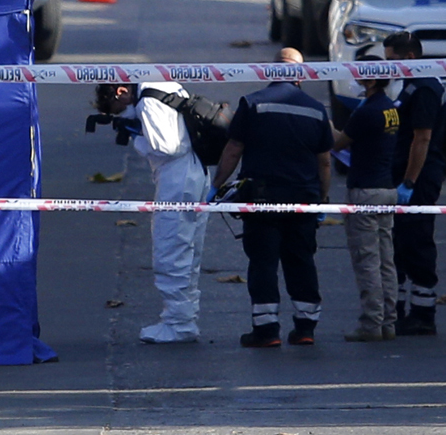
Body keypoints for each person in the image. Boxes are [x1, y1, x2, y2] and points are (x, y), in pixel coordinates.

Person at [210, 48, 333, 347]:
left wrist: (216, 187)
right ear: (300, 76)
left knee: (263, 262)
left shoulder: (251, 103)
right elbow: (325, 162)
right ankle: (305, 328)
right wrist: (322, 199)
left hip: (262, 199)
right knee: (301, 260)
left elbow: (233, 149)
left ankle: (266, 331)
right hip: (303, 199)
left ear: (270, 72)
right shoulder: (316, 109)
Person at [93, 81, 211, 344]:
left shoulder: (148, 102)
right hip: (195, 173)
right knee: (189, 250)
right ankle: (184, 318)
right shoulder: (166, 88)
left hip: (177, 178)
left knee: (170, 248)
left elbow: (168, 147)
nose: (120, 114)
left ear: (121, 92)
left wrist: (136, 132)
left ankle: (178, 324)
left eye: (117, 108)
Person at [332, 55, 400, 342]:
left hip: (365, 192)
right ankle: (388, 321)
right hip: (387, 189)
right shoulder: (390, 109)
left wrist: (324, 122)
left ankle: (371, 323)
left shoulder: (366, 112)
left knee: (367, 259)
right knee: (386, 259)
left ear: (369, 78)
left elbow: (337, 143)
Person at [384, 31, 446, 336]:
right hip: (406, 171)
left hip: (419, 175)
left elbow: (422, 138)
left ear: (409, 58)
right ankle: (396, 307)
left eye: (391, 60)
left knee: (417, 240)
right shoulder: (410, 84)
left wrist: (409, 181)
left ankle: (423, 313)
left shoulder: (423, 88)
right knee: (399, 242)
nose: (388, 67)